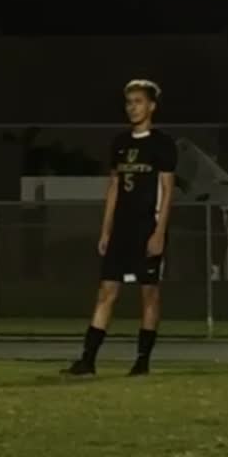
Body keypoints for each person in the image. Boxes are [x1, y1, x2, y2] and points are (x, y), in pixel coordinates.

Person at [66, 79, 177, 378]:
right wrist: (106, 230)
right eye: (129, 102)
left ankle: (142, 361)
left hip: (147, 228)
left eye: (138, 102)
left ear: (151, 106)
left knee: (149, 294)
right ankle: (87, 360)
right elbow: (114, 186)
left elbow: (167, 190)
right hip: (122, 231)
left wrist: (159, 232)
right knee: (106, 291)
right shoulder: (120, 143)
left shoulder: (162, 144)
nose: (132, 108)